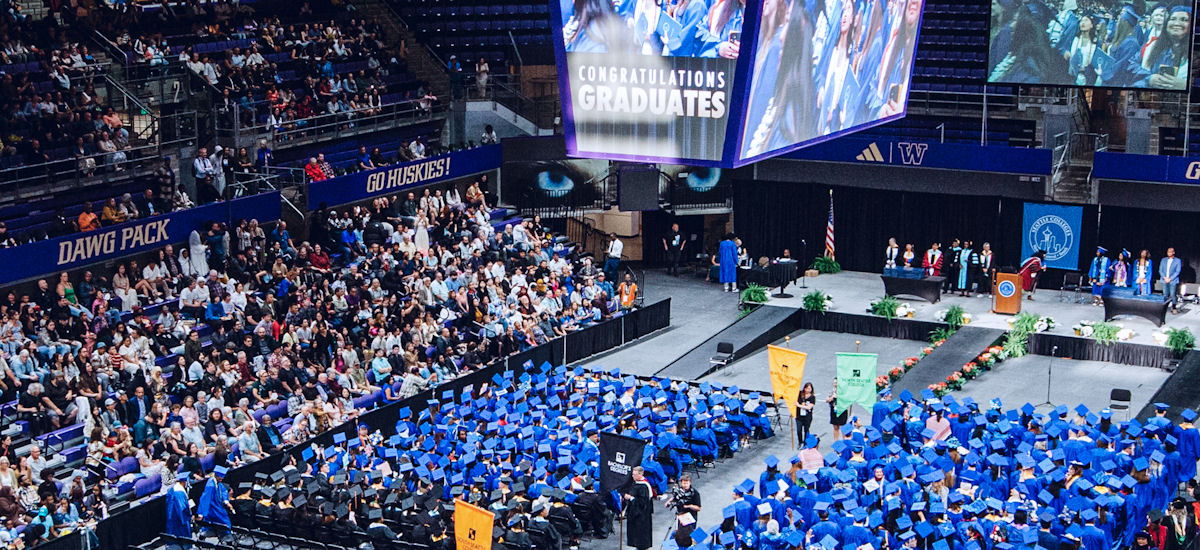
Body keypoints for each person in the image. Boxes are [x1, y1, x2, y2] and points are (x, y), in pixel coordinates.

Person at [622, 466, 654, 550]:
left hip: (642, 515)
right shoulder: (635, 483)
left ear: (640, 474)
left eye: (635, 475)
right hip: (634, 513)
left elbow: (643, 502)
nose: (633, 476)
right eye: (632, 474)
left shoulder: (644, 486)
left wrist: (631, 498)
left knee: (641, 536)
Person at [196, 466, 233, 539]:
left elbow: (223, 490)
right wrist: (201, 514)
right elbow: (205, 499)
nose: (222, 479)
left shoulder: (217, 482)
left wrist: (226, 501)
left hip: (217, 504)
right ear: (216, 475)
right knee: (225, 521)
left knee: (213, 523)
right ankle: (227, 537)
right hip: (213, 507)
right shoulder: (210, 485)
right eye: (220, 477)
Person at [665, 474, 700, 541]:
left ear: (690, 482)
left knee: (690, 535)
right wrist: (668, 502)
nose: (685, 485)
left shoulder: (695, 493)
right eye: (684, 483)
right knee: (680, 533)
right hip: (681, 515)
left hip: (690, 517)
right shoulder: (679, 490)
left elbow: (698, 508)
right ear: (681, 483)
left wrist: (688, 506)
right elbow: (675, 497)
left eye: (687, 483)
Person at [165, 472, 192, 540]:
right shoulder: (179, 493)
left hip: (172, 515)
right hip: (178, 518)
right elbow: (182, 509)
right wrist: (190, 516)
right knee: (181, 537)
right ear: (184, 482)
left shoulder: (173, 488)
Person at [1161, 247, 1181, 313]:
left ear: (1173, 252)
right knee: (1165, 294)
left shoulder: (1178, 261)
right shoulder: (1163, 260)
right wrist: (1164, 277)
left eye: (1170, 251)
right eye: (1168, 251)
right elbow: (1160, 270)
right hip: (1164, 279)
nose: (1169, 253)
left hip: (1173, 280)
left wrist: (1170, 278)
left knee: (1172, 294)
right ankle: (1164, 307)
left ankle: (1174, 307)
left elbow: (1177, 271)